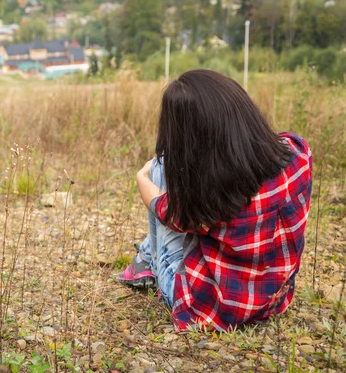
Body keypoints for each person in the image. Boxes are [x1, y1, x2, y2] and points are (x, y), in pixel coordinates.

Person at [118, 70, 313, 331]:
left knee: (160, 168)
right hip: (274, 300)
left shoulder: (210, 195)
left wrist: (143, 176)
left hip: (209, 309)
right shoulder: (298, 153)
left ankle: (147, 259)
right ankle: (144, 255)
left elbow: (164, 210)